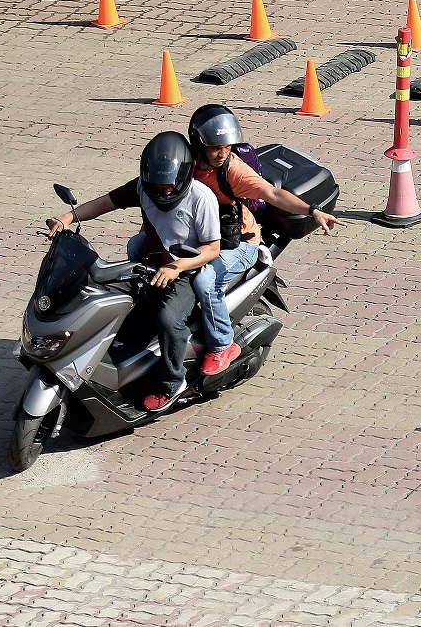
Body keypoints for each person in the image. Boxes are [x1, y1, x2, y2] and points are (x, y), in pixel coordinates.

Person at [46, 131, 221, 412]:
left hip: (187, 270)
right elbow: (104, 203)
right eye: (158, 183)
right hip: (149, 266)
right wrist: (68, 217)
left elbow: (212, 249)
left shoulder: (201, 198)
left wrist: (177, 266)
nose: (163, 189)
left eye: (169, 184)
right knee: (108, 302)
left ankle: (172, 383)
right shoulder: (142, 187)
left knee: (167, 319)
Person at [188, 104, 347, 375]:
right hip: (197, 235)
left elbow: (272, 195)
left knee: (204, 280)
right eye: (216, 147)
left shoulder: (233, 170)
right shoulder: (183, 162)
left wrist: (312, 211)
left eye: (227, 146)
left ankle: (222, 345)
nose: (222, 153)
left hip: (238, 243)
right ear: (198, 143)